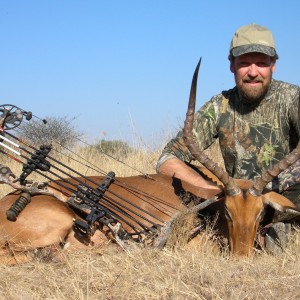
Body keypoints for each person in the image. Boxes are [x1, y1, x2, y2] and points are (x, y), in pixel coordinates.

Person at [156, 23, 300, 252]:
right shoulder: (219, 105)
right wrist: (215, 193)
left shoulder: (292, 98)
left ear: (273, 66)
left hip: (282, 199)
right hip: (234, 205)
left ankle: (279, 232)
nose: (253, 72)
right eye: (244, 63)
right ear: (232, 65)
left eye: (261, 63)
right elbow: (167, 159)